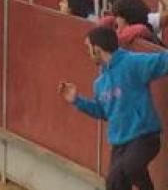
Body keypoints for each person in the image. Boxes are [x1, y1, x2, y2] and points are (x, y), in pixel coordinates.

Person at [59, 25, 168, 190]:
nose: (88, 52)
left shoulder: (132, 62)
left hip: (144, 137)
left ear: (97, 49)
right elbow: (103, 112)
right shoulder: (99, 83)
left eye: (88, 48)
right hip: (120, 144)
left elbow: (163, 61)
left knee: (129, 167)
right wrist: (77, 100)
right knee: (114, 183)